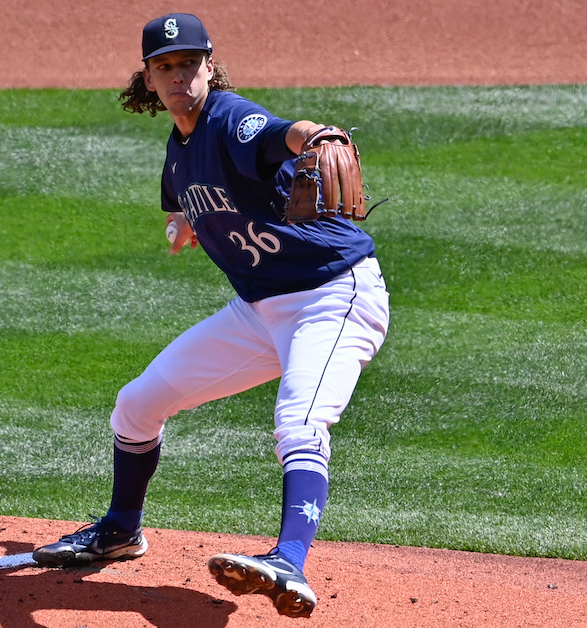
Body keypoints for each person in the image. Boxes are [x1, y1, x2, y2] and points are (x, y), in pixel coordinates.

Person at [32, 12, 390, 619]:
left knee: (300, 424)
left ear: (210, 65)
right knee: (137, 404)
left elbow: (284, 132)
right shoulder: (180, 149)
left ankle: (290, 563)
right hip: (257, 312)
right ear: (148, 77)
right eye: (165, 66)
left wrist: (319, 135)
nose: (178, 76)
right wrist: (183, 225)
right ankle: (120, 531)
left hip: (334, 296)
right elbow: (180, 204)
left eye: (189, 64)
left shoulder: (229, 118)